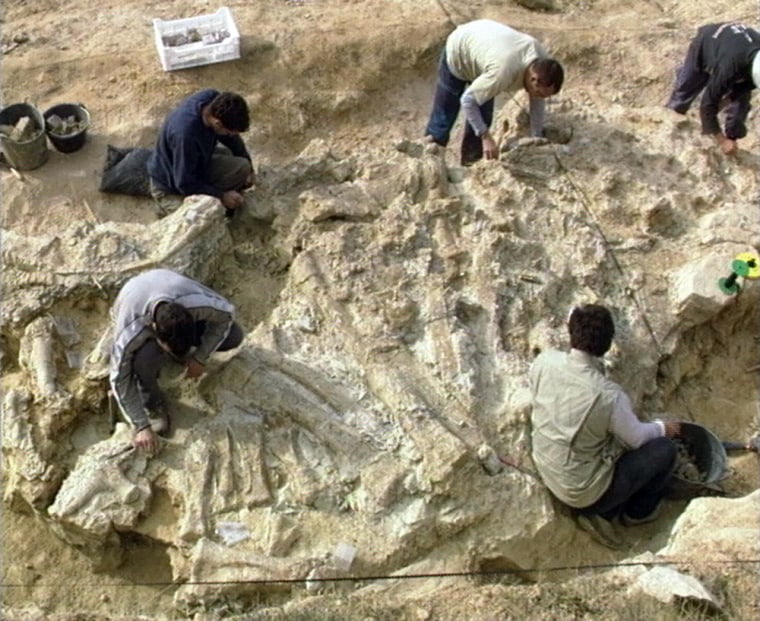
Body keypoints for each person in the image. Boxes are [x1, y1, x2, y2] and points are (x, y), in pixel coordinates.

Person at [529, 304, 680, 549]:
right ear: (607, 345)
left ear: (571, 332)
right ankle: (633, 514)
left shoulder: (545, 361)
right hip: (582, 494)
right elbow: (637, 438)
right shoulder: (609, 396)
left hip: (546, 464)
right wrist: (663, 428)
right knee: (664, 450)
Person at [109, 269, 244, 454]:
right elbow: (119, 378)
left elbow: (227, 314)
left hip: (170, 287)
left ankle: (181, 349)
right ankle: (152, 404)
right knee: (144, 359)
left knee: (234, 336)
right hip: (134, 298)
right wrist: (141, 426)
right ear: (154, 330)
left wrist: (200, 357)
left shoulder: (196, 304)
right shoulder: (131, 330)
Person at [424, 19, 564, 166]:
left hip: (486, 55)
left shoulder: (543, 63)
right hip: (459, 51)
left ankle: (470, 163)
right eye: (541, 94)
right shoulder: (503, 72)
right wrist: (486, 137)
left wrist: (536, 135)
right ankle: (432, 159)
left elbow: (537, 99)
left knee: (483, 117)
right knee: (446, 112)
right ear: (534, 79)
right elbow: (468, 101)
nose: (540, 98)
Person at [147, 89, 254, 217]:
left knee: (241, 166)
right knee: (202, 223)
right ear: (218, 123)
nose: (231, 136)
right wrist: (222, 196)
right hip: (171, 187)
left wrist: (250, 169)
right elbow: (184, 183)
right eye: (229, 132)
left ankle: (221, 201)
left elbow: (233, 140)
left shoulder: (212, 100)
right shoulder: (186, 136)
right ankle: (166, 210)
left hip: (196, 163)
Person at [666, 22, 760, 156]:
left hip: (733, 49)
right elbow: (707, 103)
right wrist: (721, 141)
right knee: (685, 92)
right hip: (707, 42)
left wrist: (721, 105)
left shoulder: (756, 63)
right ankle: (670, 128)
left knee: (740, 105)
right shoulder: (730, 67)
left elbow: (743, 88)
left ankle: (732, 138)